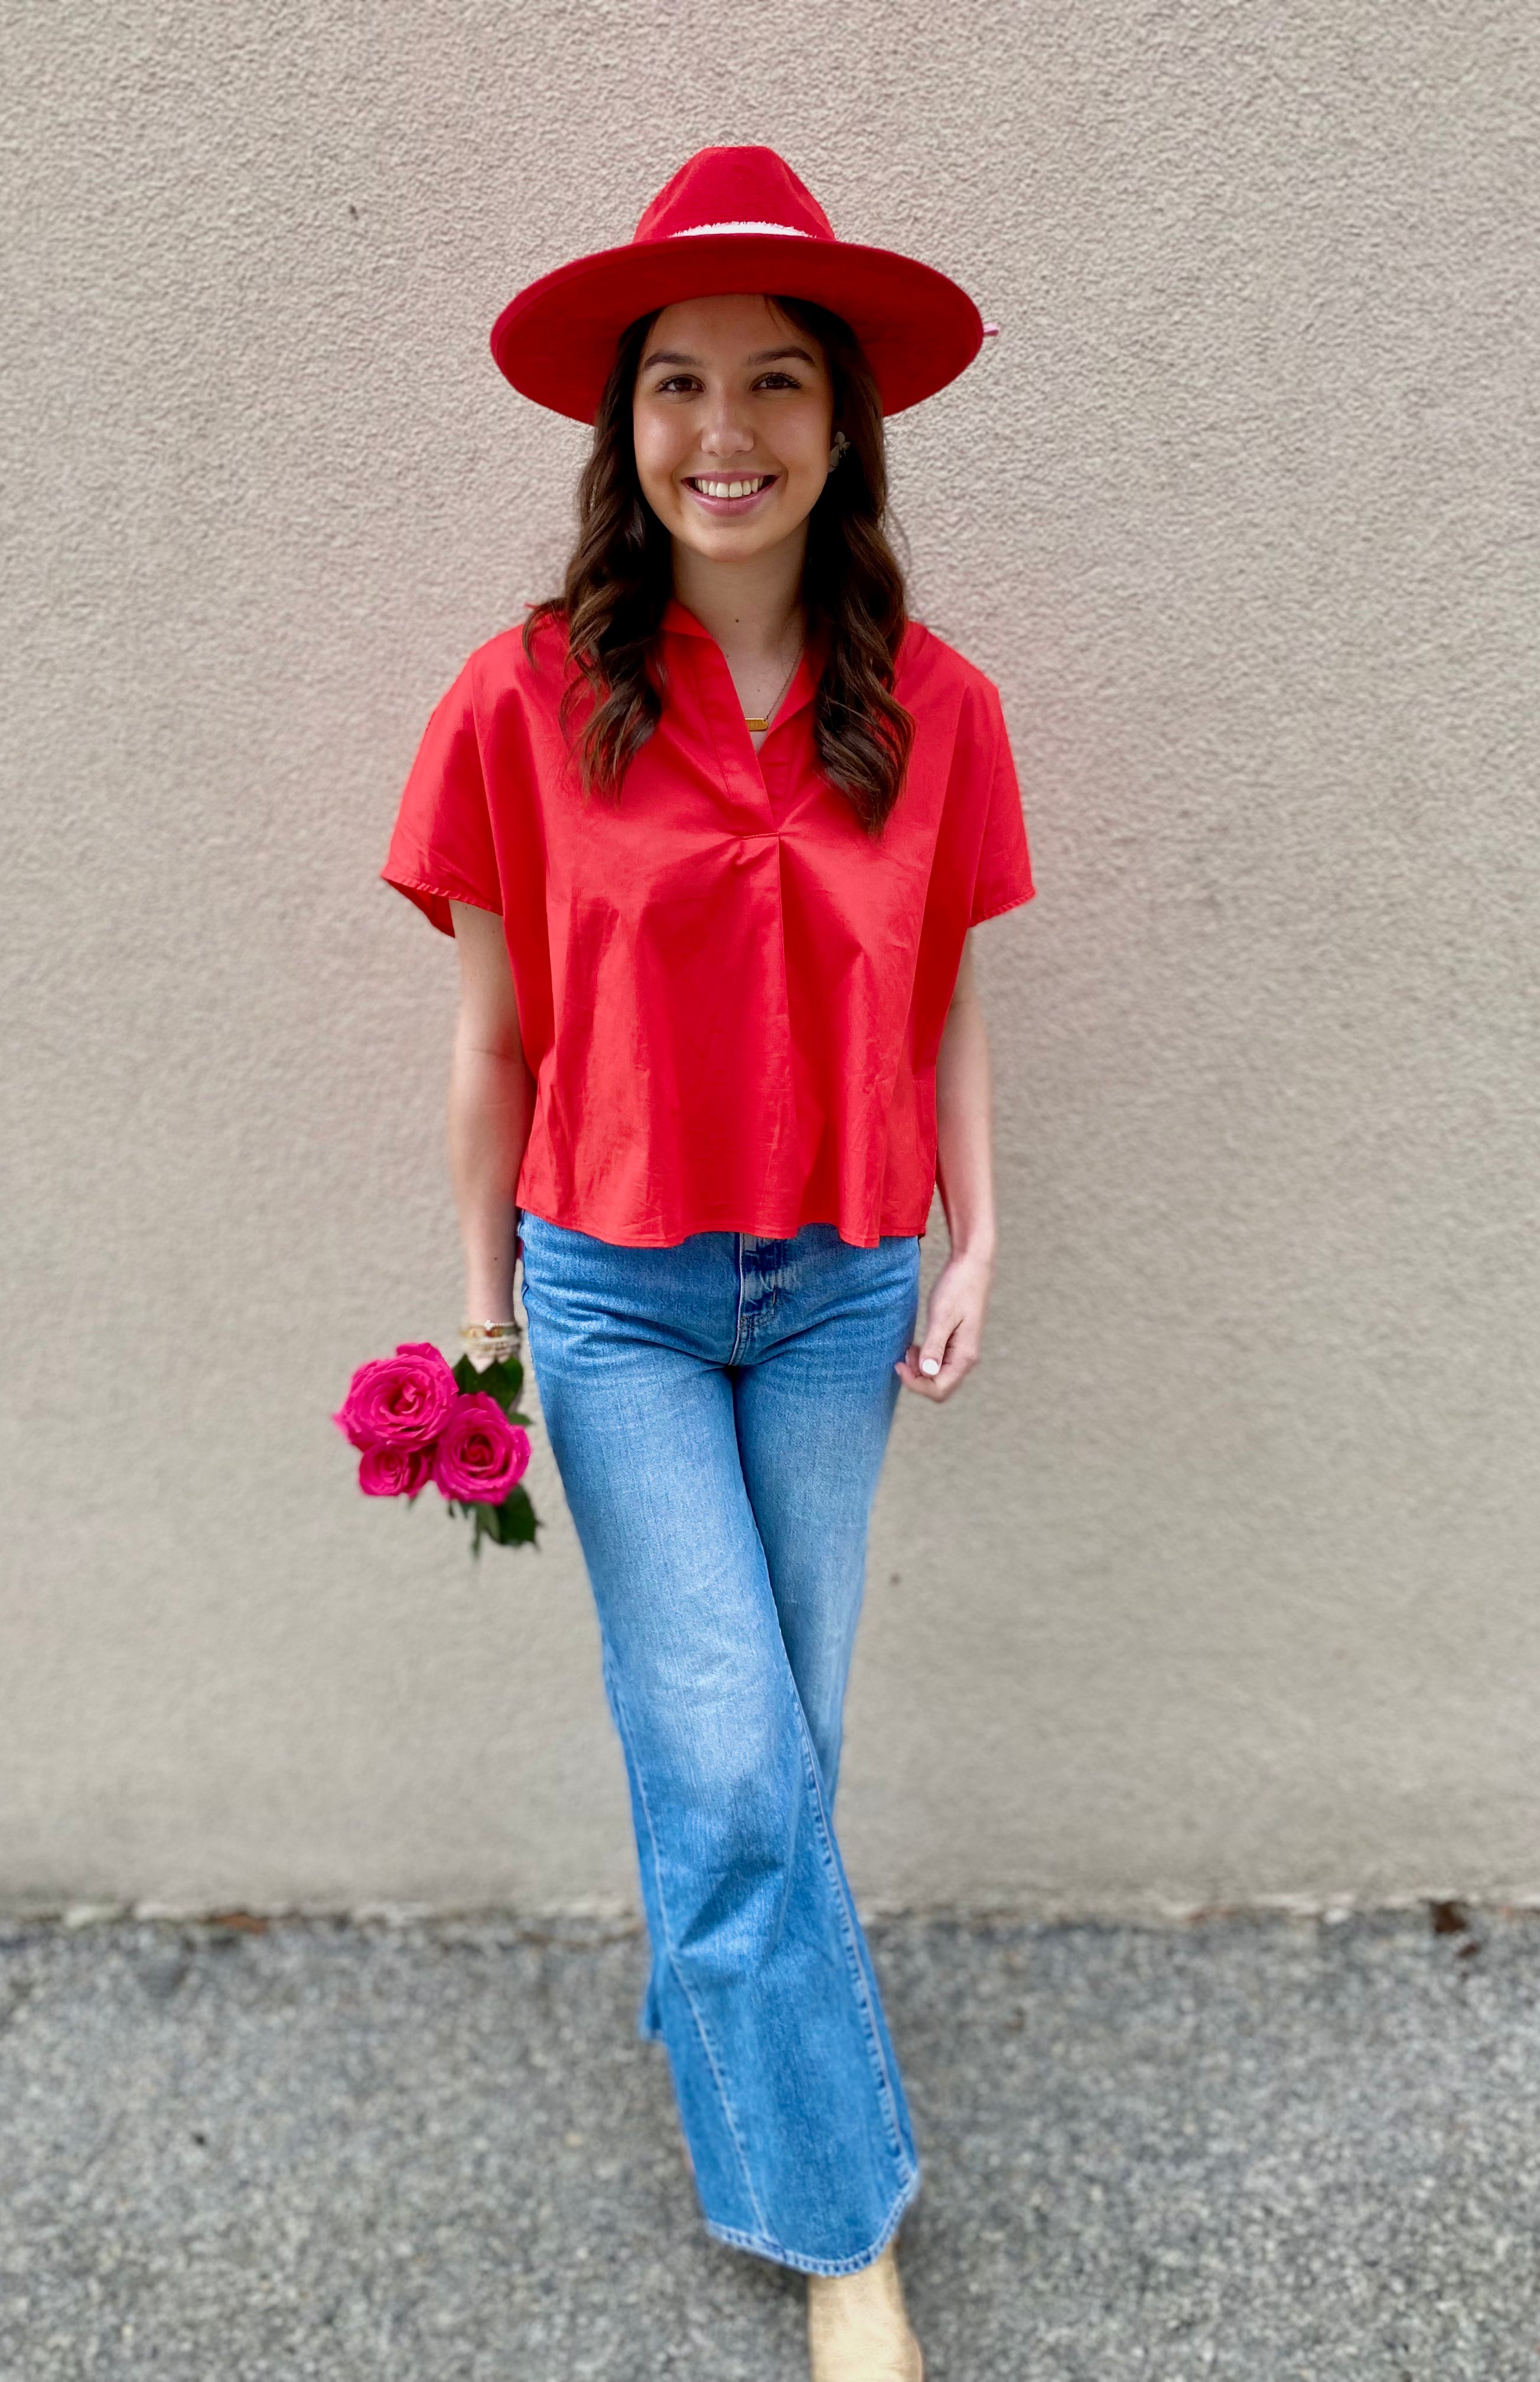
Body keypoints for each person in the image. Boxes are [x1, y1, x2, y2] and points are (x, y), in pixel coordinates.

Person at [380, 145, 1034, 2382]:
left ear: (845, 427)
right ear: (621, 423)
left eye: (774, 385)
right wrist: (478, 1325)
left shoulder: (935, 708)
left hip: (844, 1285)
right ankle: (845, 2230)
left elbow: (944, 986)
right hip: (615, 1295)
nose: (724, 433)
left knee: (780, 1749)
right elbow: (488, 1042)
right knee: (736, 1766)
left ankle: (728, 2016)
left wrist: (977, 1230)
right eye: (678, 385)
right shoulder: (520, 700)